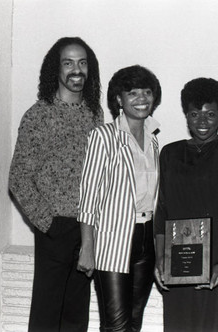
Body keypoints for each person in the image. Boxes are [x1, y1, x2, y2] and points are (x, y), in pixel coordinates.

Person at [8, 37, 103, 332]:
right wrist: (48, 224)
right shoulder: (39, 115)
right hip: (55, 228)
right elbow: (19, 177)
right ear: (56, 68)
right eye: (68, 62)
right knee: (47, 316)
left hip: (88, 228)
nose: (77, 70)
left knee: (76, 315)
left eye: (83, 63)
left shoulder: (94, 115)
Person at [154, 78, 218, 332]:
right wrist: (160, 259)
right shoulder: (170, 153)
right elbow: (162, 209)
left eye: (210, 114)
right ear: (186, 115)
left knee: (214, 321)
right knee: (178, 321)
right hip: (177, 255)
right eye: (195, 114)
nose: (202, 121)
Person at [77, 65, 161, 331]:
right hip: (113, 240)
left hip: (147, 238)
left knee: (134, 322)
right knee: (116, 325)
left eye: (147, 92)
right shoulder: (103, 136)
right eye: (133, 93)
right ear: (119, 100)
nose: (142, 99)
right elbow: (88, 196)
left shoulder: (154, 140)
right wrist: (87, 247)